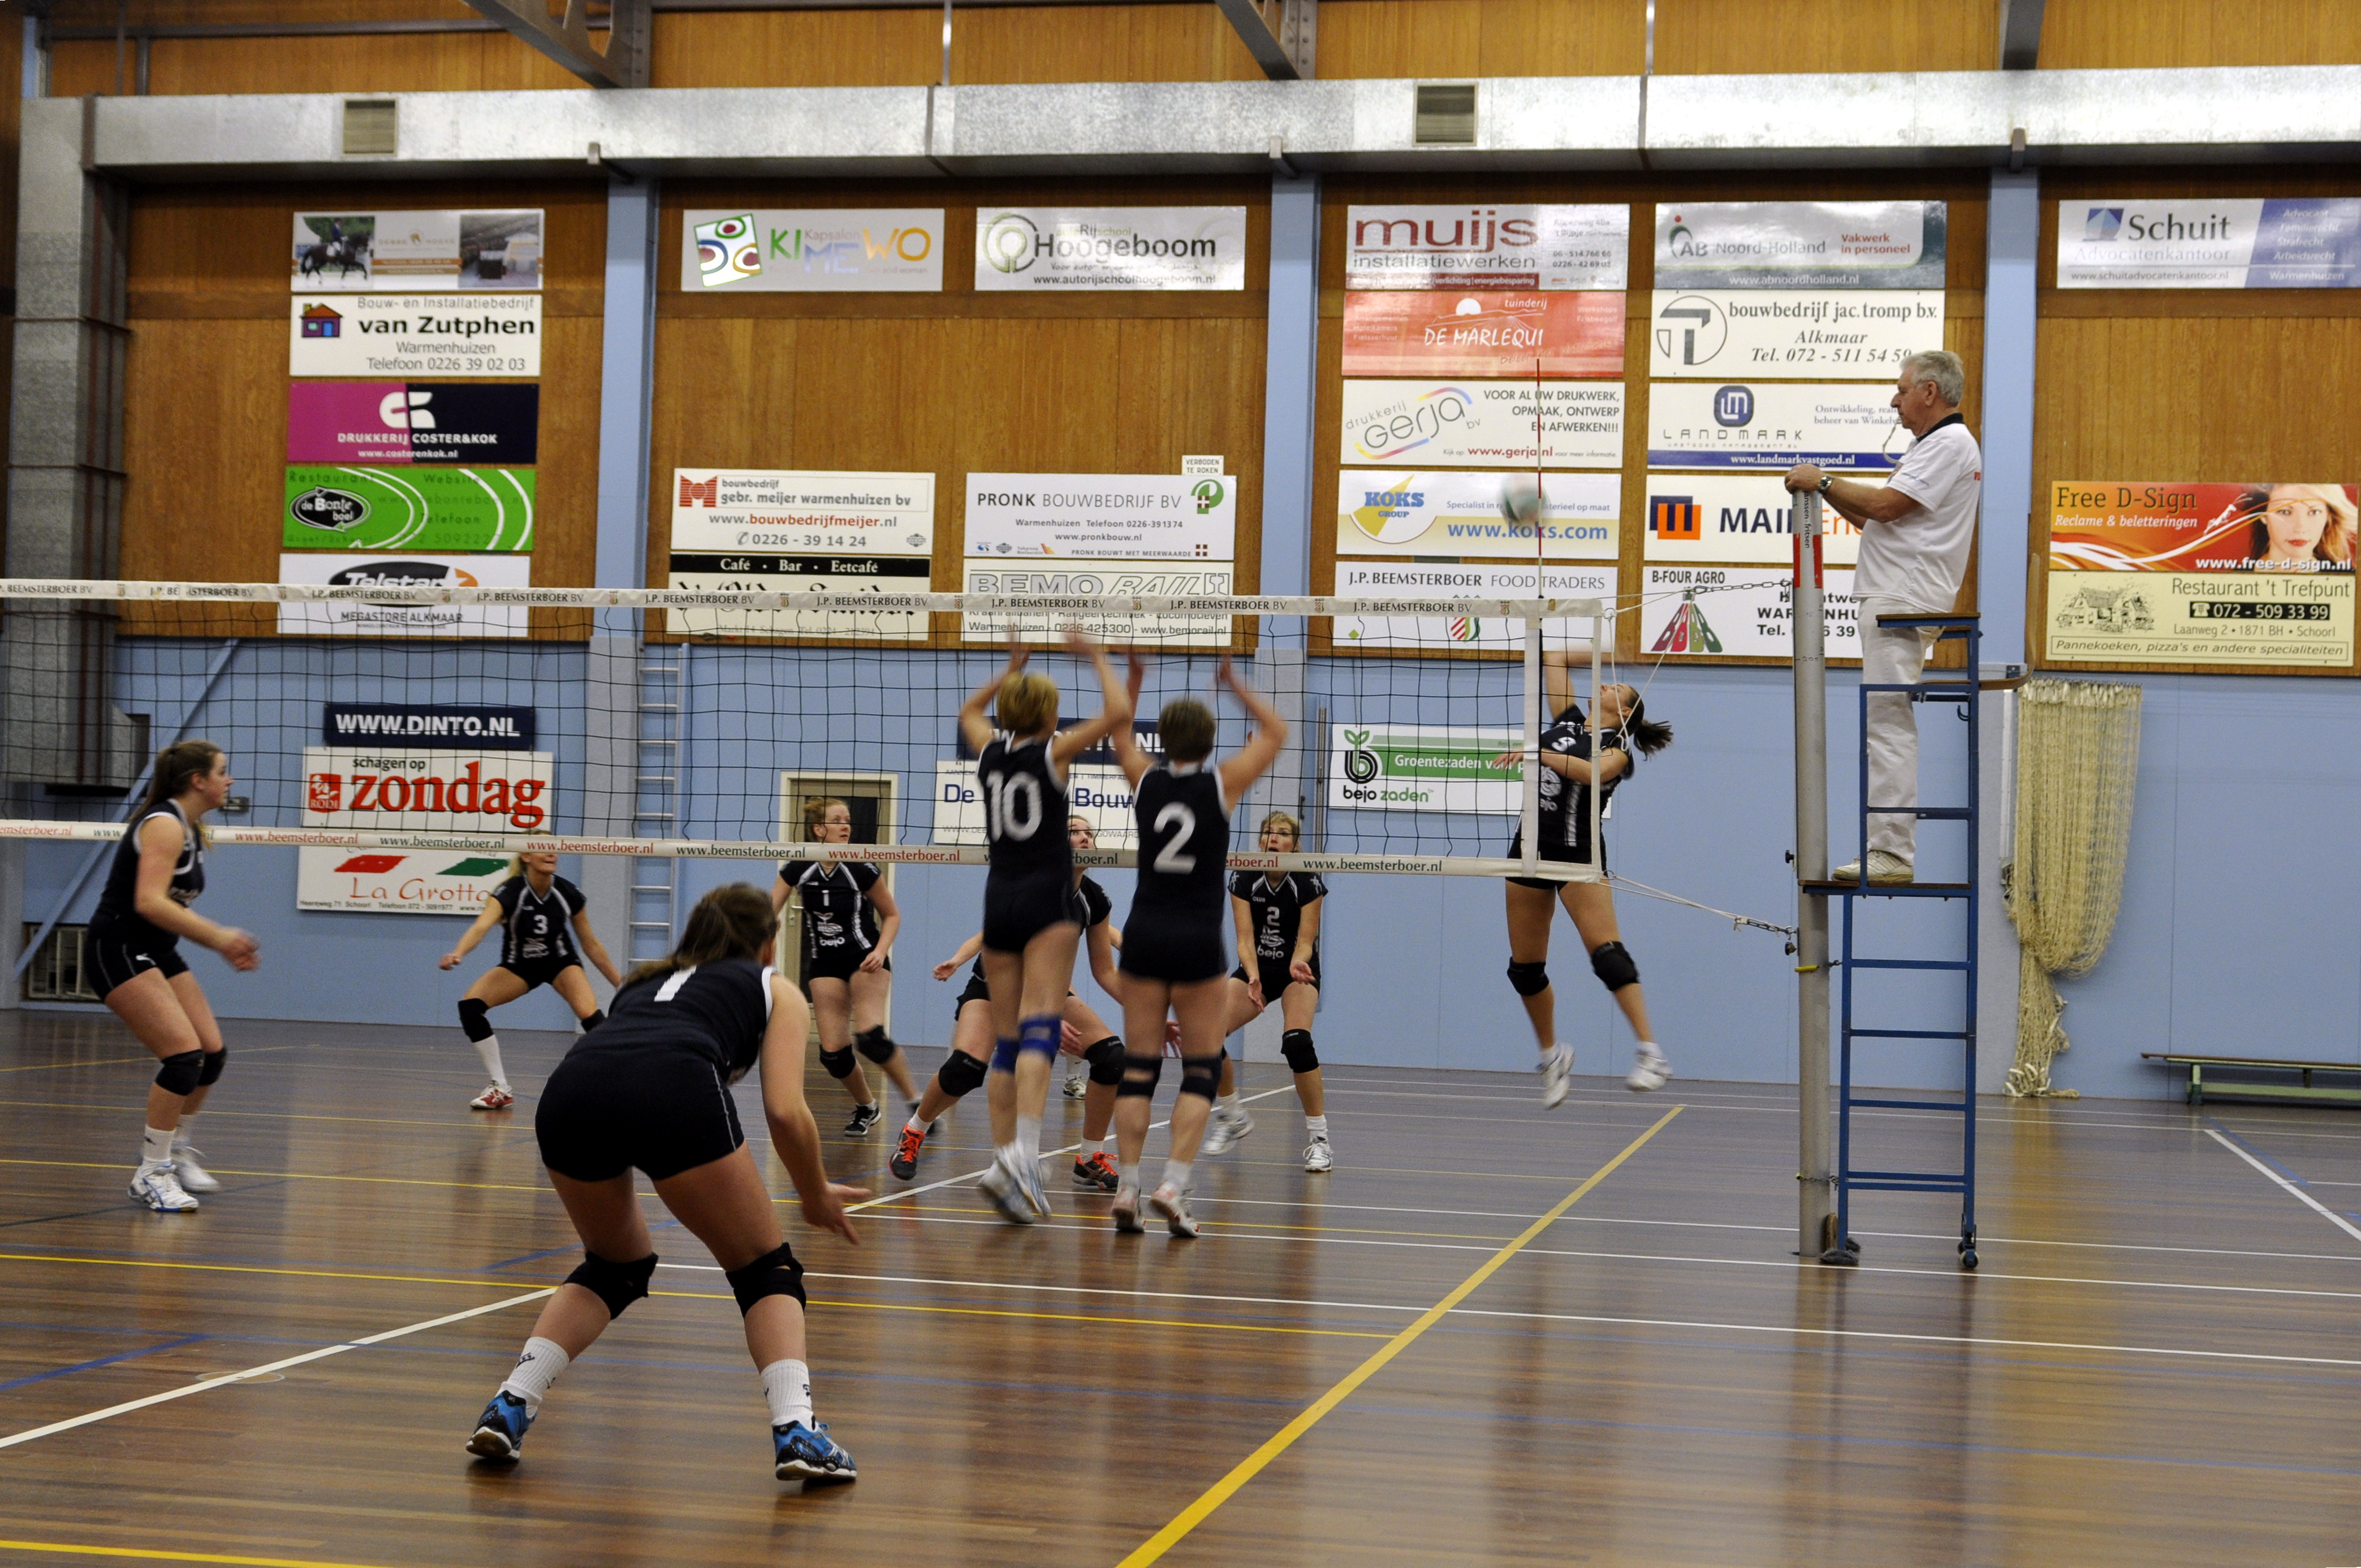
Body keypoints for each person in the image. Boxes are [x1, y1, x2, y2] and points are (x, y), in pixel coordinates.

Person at [466, 884, 866, 1484]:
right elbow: (786, 1112)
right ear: (767, 943)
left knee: (614, 1266)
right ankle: (797, 1428)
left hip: (570, 1094)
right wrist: (813, 1192)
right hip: (674, 1086)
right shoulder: (775, 986)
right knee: (766, 1269)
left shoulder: (642, 981)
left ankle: (510, 1403)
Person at [1785, 348, 1982, 887]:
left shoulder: (1949, 443)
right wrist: (1822, 491)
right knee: (1885, 720)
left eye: (1901, 389)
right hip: (1897, 595)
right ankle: (1889, 846)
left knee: (1888, 722)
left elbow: (1885, 507)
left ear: (1929, 392)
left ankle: (1892, 850)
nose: (1894, 401)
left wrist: (1823, 481)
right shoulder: (1933, 446)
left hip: (1903, 599)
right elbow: (1874, 517)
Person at [1107, 656, 1285, 1237]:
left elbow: (1118, 727)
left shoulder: (1144, 779)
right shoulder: (1220, 783)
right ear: (1209, 743)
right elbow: (1277, 732)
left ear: (1162, 741)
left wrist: (1133, 678)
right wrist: (1234, 683)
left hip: (1142, 935)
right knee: (1201, 1068)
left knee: (1138, 1068)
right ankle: (1173, 1184)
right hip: (1195, 941)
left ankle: (1127, 1187)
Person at [959, 634, 1130, 1223]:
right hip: (1046, 899)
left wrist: (1009, 669)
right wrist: (1098, 657)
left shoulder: (989, 752)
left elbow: (968, 711)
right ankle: (1024, 1158)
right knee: (1040, 1026)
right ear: (1050, 716)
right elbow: (1117, 714)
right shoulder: (1054, 754)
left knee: (1007, 1038)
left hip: (998, 899)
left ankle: (1003, 1159)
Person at [896, 816, 1129, 1192]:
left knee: (1112, 1056)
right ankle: (914, 1130)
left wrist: (1149, 1011)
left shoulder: (1094, 899)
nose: (1085, 837)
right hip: (994, 985)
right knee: (965, 1069)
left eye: (1090, 833)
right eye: (1074, 832)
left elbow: (1105, 971)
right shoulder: (1031, 889)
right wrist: (1043, 1019)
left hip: (1047, 991)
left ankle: (1089, 1158)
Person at [1490, 650, 1675, 1104]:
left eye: (1616, 688)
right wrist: (1612, 650)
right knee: (1524, 969)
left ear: (1625, 712)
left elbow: (1591, 773)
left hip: (1577, 856)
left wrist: (1538, 754)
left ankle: (1651, 1052)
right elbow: (1553, 658)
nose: (1606, 684)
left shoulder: (1617, 750)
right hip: (1528, 851)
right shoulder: (1568, 721)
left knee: (1607, 955)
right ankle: (1552, 1054)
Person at [92, 741, 260, 1212]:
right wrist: (219, 937)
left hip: (157, 950)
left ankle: (176, 1149)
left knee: (210, 1054)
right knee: (183, 1057)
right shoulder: (164, 824)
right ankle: (152, 1171)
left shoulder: (189, 827)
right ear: (198, 780)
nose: (229, 780)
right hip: (118, 949)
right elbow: (148, 901)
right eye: (222, 771)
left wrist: (221, 943)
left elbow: (167, 909)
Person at [772, 796, 915, 1138]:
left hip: (865, 957)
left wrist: (881, 951)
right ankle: (867, 1106)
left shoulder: (861, 867)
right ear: (818, 829)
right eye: (837, 821)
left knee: (870, 1037)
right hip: (825, 962)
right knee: (833, 1055)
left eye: (848, 820)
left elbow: (892, 915)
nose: (846, 826)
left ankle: (916, 1102)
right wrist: (765, 952)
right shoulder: (798, 867)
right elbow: (767, 914)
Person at [1201, 811, 1333, 1172]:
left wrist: (1297, 963)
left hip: (1296, 971)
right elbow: (1244, 939)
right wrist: (1253, 976)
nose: (1274, 838)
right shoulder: (1244, 875)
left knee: (1297, 1042)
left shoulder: (1307, 880)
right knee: (1207, 1036)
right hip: (1256, 969)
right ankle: (1233, 1116)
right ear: (1261, 841)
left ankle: (1319, 1141)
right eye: (1268, 832)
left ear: (1294, 844)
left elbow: (1306, 941)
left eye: (1283, 833)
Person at [439, 852, 623, 1111]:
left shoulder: (566, 892)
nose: (551, 853)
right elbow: (481, 927)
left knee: (591, 1017)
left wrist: (620, 983)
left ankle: (623, 1078)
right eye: (543, 848)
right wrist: (458, 953)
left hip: (560, 962)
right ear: (526, 856)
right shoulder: (510, 891)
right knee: (470, 1006)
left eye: (553, 849)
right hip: (520, 966)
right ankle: (500, 1087)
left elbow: (590, 943)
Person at [2243, 482, 2356, 569]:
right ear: (2263, 516)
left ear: (2328, 517)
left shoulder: (2347, 580)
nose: (2300, 528)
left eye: (2314, 512)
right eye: (2285, 512)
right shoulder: (2238, 580)